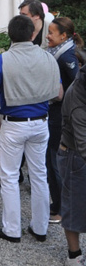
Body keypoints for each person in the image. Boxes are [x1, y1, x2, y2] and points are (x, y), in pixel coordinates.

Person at [0, 15, 61, 243]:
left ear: (10, 35)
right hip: (40, 122)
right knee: (39, 175)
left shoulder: (3, 60)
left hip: (13, 123)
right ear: (33, 34)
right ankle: (39, 228)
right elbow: (58, 94)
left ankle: (12, 229)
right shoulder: (49, 58)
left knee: (9, 177)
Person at [45, 17, 81, 224]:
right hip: (56, 112)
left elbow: (76, 87)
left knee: (54, 161)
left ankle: (59, 208)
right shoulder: (59, 52)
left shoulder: (67, 56)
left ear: (64, 36)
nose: (48, 36)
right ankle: (57, 203)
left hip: (60, 116)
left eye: (51, 32)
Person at [58, 60, 86, 266]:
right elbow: (82, 141)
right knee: (73, 207)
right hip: (75, 154)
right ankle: (73, 256)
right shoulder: (78, 96)